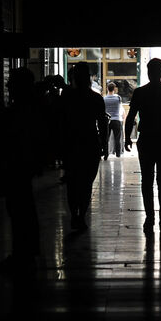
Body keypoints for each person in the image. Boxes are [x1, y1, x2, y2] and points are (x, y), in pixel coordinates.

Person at [0, 66, 44, 274]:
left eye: (11, 83)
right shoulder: (30, 108)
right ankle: (27, 251)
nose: (7, 86)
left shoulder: (20, 111)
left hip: (15, 165)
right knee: (22, 208)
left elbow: (3, 135)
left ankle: (22, 254)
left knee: (19, 210)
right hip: (21, 165)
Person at [124, 58, 161, 233]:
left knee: (147, 180)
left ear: (148, 72)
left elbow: (131, 116)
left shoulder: (140, 93)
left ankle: (150, 218)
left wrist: (127, 138)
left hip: (146, 139)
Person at [59, 62, 109, 231]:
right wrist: (104, 145)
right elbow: (102, 123)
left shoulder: (66, 98)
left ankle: (75, 215)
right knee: (86, 183)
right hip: (90, 143)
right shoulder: (95, 98)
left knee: (72, 183)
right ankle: (80, 216)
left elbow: (58, 123)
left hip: (71, 144)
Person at [103, 81, 124, 158]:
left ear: (107, 89)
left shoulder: (104, 99)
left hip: (107, 120)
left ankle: (106, 154)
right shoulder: (118, 98)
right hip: (116, 120)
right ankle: (118, 154)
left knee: (106, 139)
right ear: (114, 89)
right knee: (117, 139)